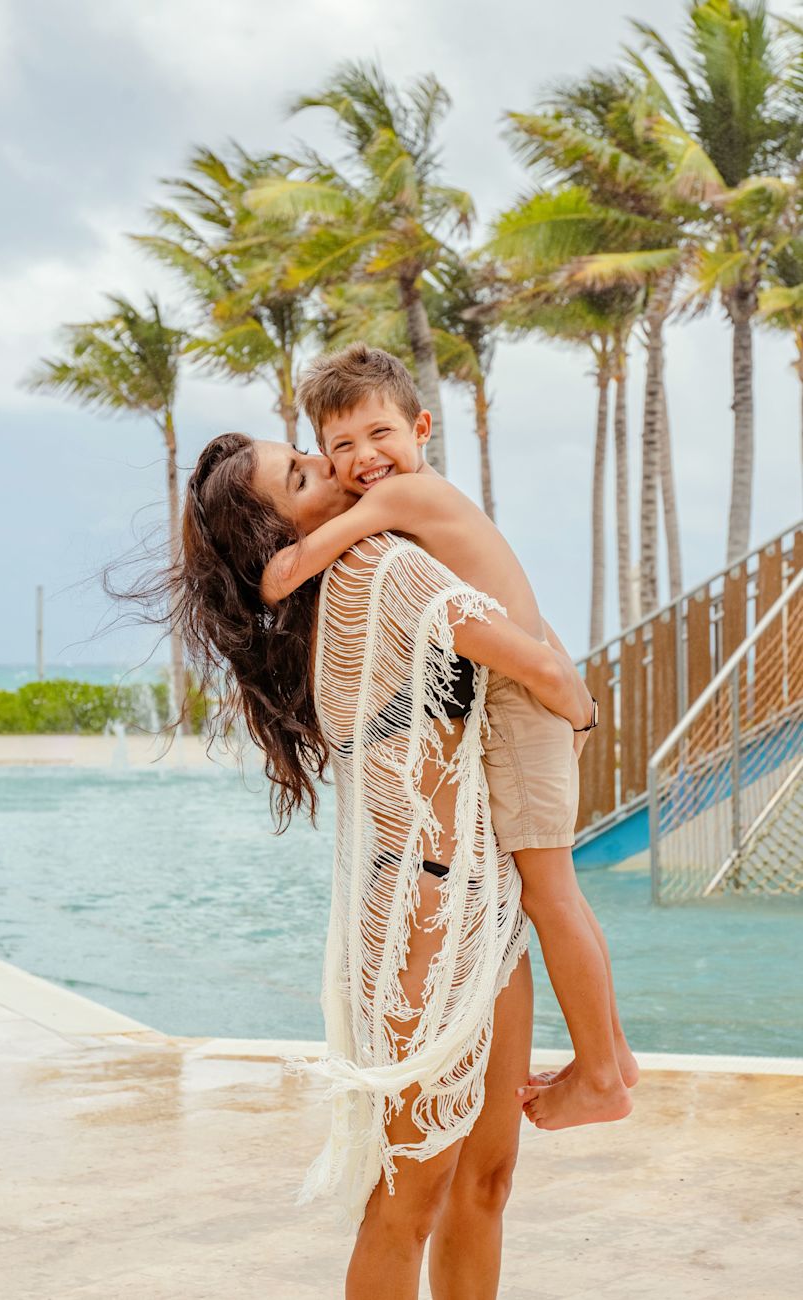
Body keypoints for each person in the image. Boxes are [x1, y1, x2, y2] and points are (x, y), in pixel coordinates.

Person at [174, 430, 592, 1299]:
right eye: (302, 474)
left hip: (479, 902)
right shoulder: (382, 571)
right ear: (276, 534)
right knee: (417, 1195)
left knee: (479, 1180)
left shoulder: (343, 585)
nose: (332, 467)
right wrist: (578, 710)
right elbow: (540, 665)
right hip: (428, 915)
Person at [261, 343, 638, 1132]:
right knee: (551, 889)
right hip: (523, 696)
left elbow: (288, 571)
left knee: (550, 890)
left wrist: (266, 564)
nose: (365, 458)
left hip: (519, 705)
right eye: (341, 447)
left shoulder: (406, 499)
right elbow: (506, 608)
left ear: (421, 426)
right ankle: (614, 1056)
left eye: (380, 432)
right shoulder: (424, 501)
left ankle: (603, 1074)